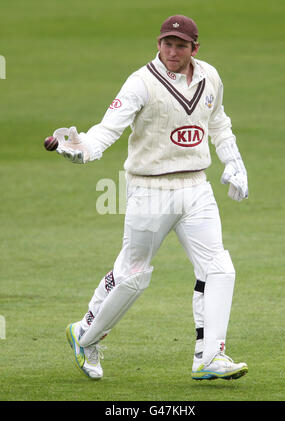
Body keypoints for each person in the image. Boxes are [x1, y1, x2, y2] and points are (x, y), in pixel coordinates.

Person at [50, 15, 249, 381]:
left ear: (194, 48)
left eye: (181, 46)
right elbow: (107, 129)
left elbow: (218, 120)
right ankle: (85, 336)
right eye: (167, 44)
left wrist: (234, 162)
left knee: (219, 268)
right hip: (150, 190)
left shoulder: (210, 77)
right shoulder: (141, 82)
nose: (172, 52)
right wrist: (82, 148)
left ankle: (209, 356)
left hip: (196, 187)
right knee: (132, 276)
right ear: (158, 44)